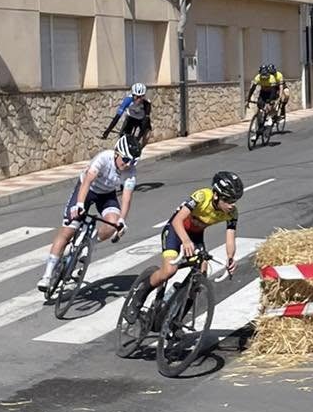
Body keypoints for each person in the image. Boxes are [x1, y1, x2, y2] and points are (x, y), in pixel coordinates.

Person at [122, 168, 244, 320]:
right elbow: (177, 220)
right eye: (228, 200)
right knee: (169, 270)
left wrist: (230, 257)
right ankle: (140, 294)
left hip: (195, 236)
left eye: (235, 201)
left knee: (200, 276)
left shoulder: (231, 213)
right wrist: (185, 241)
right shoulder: (201, 197)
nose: (232, 205)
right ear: (216, 195)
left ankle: (175, 321)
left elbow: (230, 236)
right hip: (176, 230)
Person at [39, 136, 138, 292]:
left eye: (132, 162)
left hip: (106, 195)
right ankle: (47, 274)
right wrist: (79, 204)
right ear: (117, 153)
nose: (128, 164)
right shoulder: (104, 158)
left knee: (113, 223)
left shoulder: (131, 172)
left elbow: (126, 197)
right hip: (87, 190)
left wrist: (122, 220)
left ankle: (90, 243)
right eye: (125, 159)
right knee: (68, 230)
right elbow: (87, 182)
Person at [104, 80, 152, 156]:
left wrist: (138, 139)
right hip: (131, 118)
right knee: (122, 137)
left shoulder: (147, 103)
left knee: (147, 135)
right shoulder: (128, 100)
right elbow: (117, 117)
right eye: (136, 96)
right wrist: (108, 131)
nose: (139, 99)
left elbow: (145, 122)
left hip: (142, 120)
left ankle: (138, 151)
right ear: (133, 95)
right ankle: (118, 154)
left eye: (141, 97)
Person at [246, 62, 283, 132]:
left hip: (271, 93)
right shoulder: (257, 78)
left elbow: (273, 91)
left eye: (266, 76)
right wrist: (248, 99)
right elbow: (252, 89)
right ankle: (257, 124)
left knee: (269, 106)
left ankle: (269, 118)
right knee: (259, 106)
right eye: (262, 77)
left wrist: (270, 102)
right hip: (263, 93)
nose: (264, 78)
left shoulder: (272, 78)